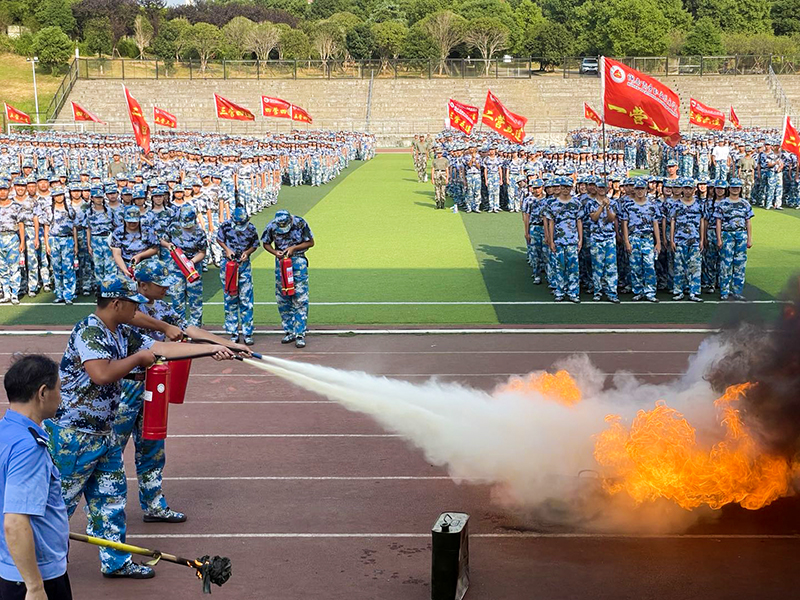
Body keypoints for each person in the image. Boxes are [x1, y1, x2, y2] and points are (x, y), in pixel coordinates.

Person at [45, 276, 235, 579]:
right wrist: (139, 359)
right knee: (58, 504)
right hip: (75, 436)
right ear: (117, 303)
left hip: (103, 434)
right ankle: (31, 562)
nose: (138, 308)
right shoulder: (90, 330)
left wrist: (210, 349)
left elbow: (162, 348)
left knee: (111, 501)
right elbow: (100, 374)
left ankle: (116, 562)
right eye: (133, 303)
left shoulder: (121, 332)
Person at [0, 355, 71, 600]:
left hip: (9, 567)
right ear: (42, 393)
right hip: (34, 575)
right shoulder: (29, 447)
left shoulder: (5, 432)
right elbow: (15, 522)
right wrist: (35, 587)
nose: (60, 396)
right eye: (59, 388)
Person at [262, 210, 314, 348]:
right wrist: (275, 252)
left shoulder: (300, 223)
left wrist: (294, 248)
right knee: (283, 298)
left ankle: (300, 333)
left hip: (298, 262)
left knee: (300, 298)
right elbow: (266, 243)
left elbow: (310, 242)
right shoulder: (272, 226)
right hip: (281, 264)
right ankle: (289, 331)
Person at [217, 207, 259, 345]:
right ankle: (233, 332)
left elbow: (255, 244)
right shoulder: (225, 226)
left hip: (244, 266)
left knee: (246, 299)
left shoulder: (251, 228)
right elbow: (219, 239)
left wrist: (247, 252)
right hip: (228, 265)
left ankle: (248, 333)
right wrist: (227, 250)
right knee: (230, 298)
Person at [621, 178, 660, 303]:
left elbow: (655, 224)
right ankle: (638, 291)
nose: (639, 191)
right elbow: (624, 224)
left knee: (649, 266)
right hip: (634, 238)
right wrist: (626, 241)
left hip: (647, 239)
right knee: (635, 267)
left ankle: (650, 292)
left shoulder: (652, 205)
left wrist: (658, 242)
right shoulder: (628, 205)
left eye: (642, 189)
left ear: (646, 190)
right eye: (637, 189)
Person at [544, 177, 582, 303]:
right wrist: (550, 240)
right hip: (559, 240)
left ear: (571, 188)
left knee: (573, 268)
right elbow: (551, 223)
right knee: (559, 267)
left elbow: (579, 222)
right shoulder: (553, 204)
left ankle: (573, 292)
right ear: (560, 188)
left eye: (568, 187)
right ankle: (560, 291)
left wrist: (580, 239)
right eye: (563, 187)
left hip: (572, 240)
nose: (566, 189)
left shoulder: (576, 203)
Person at [714, 179, 753, 301]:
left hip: (741, 235)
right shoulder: (723, 203)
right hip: (727, 235)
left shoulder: (745, 203)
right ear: (729, 188)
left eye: (738, 187)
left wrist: (749, 238)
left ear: (740, 189)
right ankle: (724, 291)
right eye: (733, 187)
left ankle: (737, 291)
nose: (735, 189)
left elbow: (748, 222)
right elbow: (718, 222)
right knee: (726, 263)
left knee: (740, 264)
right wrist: (719, 238)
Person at [669, 178, 704, 302]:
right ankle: (679, 291)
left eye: (690, 188)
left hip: (694, 239)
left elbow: (702, 222)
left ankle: (694, 291)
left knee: (695, 266)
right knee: (679, 266)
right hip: (680, 239)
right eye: (686, 188)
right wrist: (672, 240)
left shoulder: (699, 204)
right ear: (682, 189)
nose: (688, 191)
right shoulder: (676, 204)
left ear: (694, 190)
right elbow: (672, 221)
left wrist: (702, 239)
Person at [0, 180, 24, 305]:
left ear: (9, 191)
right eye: (0, 190)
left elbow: (21, 225)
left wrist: (22, 242)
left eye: (4, 189)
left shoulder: (15, 206)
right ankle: (6, 293)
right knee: (2, 268)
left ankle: (15, 294)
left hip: (12, 237)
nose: (2, 192)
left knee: (14, 268)